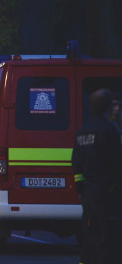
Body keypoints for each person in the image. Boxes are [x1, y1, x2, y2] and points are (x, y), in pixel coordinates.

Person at [72, 88, 122, 264]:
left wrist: (82, 189)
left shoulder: (83, 131)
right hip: (108, 192)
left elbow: (76, 163)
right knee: (108, 236)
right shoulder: (110, 130)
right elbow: (117, 162)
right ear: (108, 107)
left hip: (88, 193)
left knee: (89, 234)